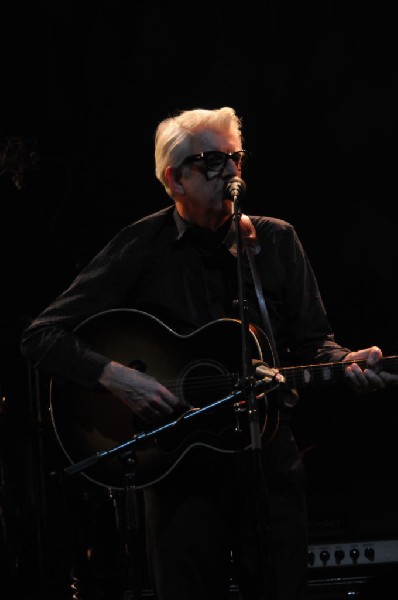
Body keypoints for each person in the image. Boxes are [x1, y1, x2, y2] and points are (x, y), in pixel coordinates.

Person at [20, 106, 398, 600]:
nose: (232, 172)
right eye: (213, 161)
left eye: (236, 158)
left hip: (269, 468)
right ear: (175, 178)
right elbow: (41, 335)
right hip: (179, 474)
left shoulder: (277, 241)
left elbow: (313, 343)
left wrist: (346, 361)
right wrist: (116, 376)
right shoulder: (141, 245)